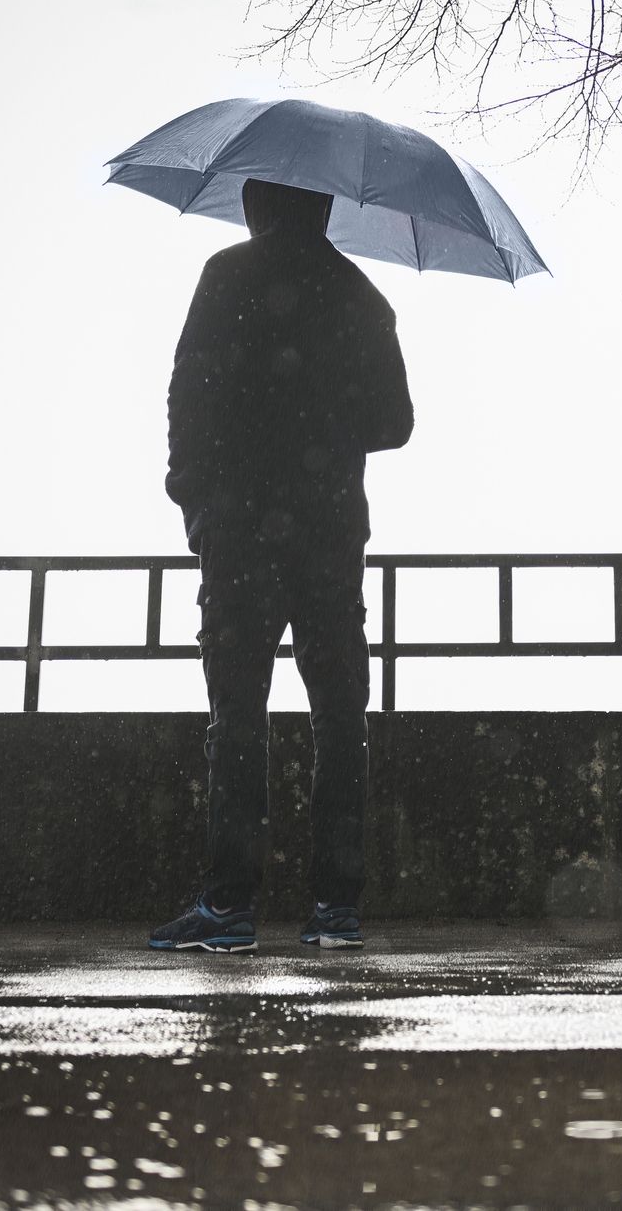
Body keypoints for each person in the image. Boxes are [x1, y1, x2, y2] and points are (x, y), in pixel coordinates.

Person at [148, 177, 413, 954]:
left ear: (255, 205)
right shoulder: (361, 295)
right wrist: (327, 410)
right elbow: (394, 424)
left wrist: (194, 497)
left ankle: (229, 906)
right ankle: (336, 910)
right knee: (340, 722)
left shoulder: (227, 275)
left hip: (239, 538)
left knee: (238, 719)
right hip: (330, 539)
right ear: (326, 206)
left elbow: (185, 394)